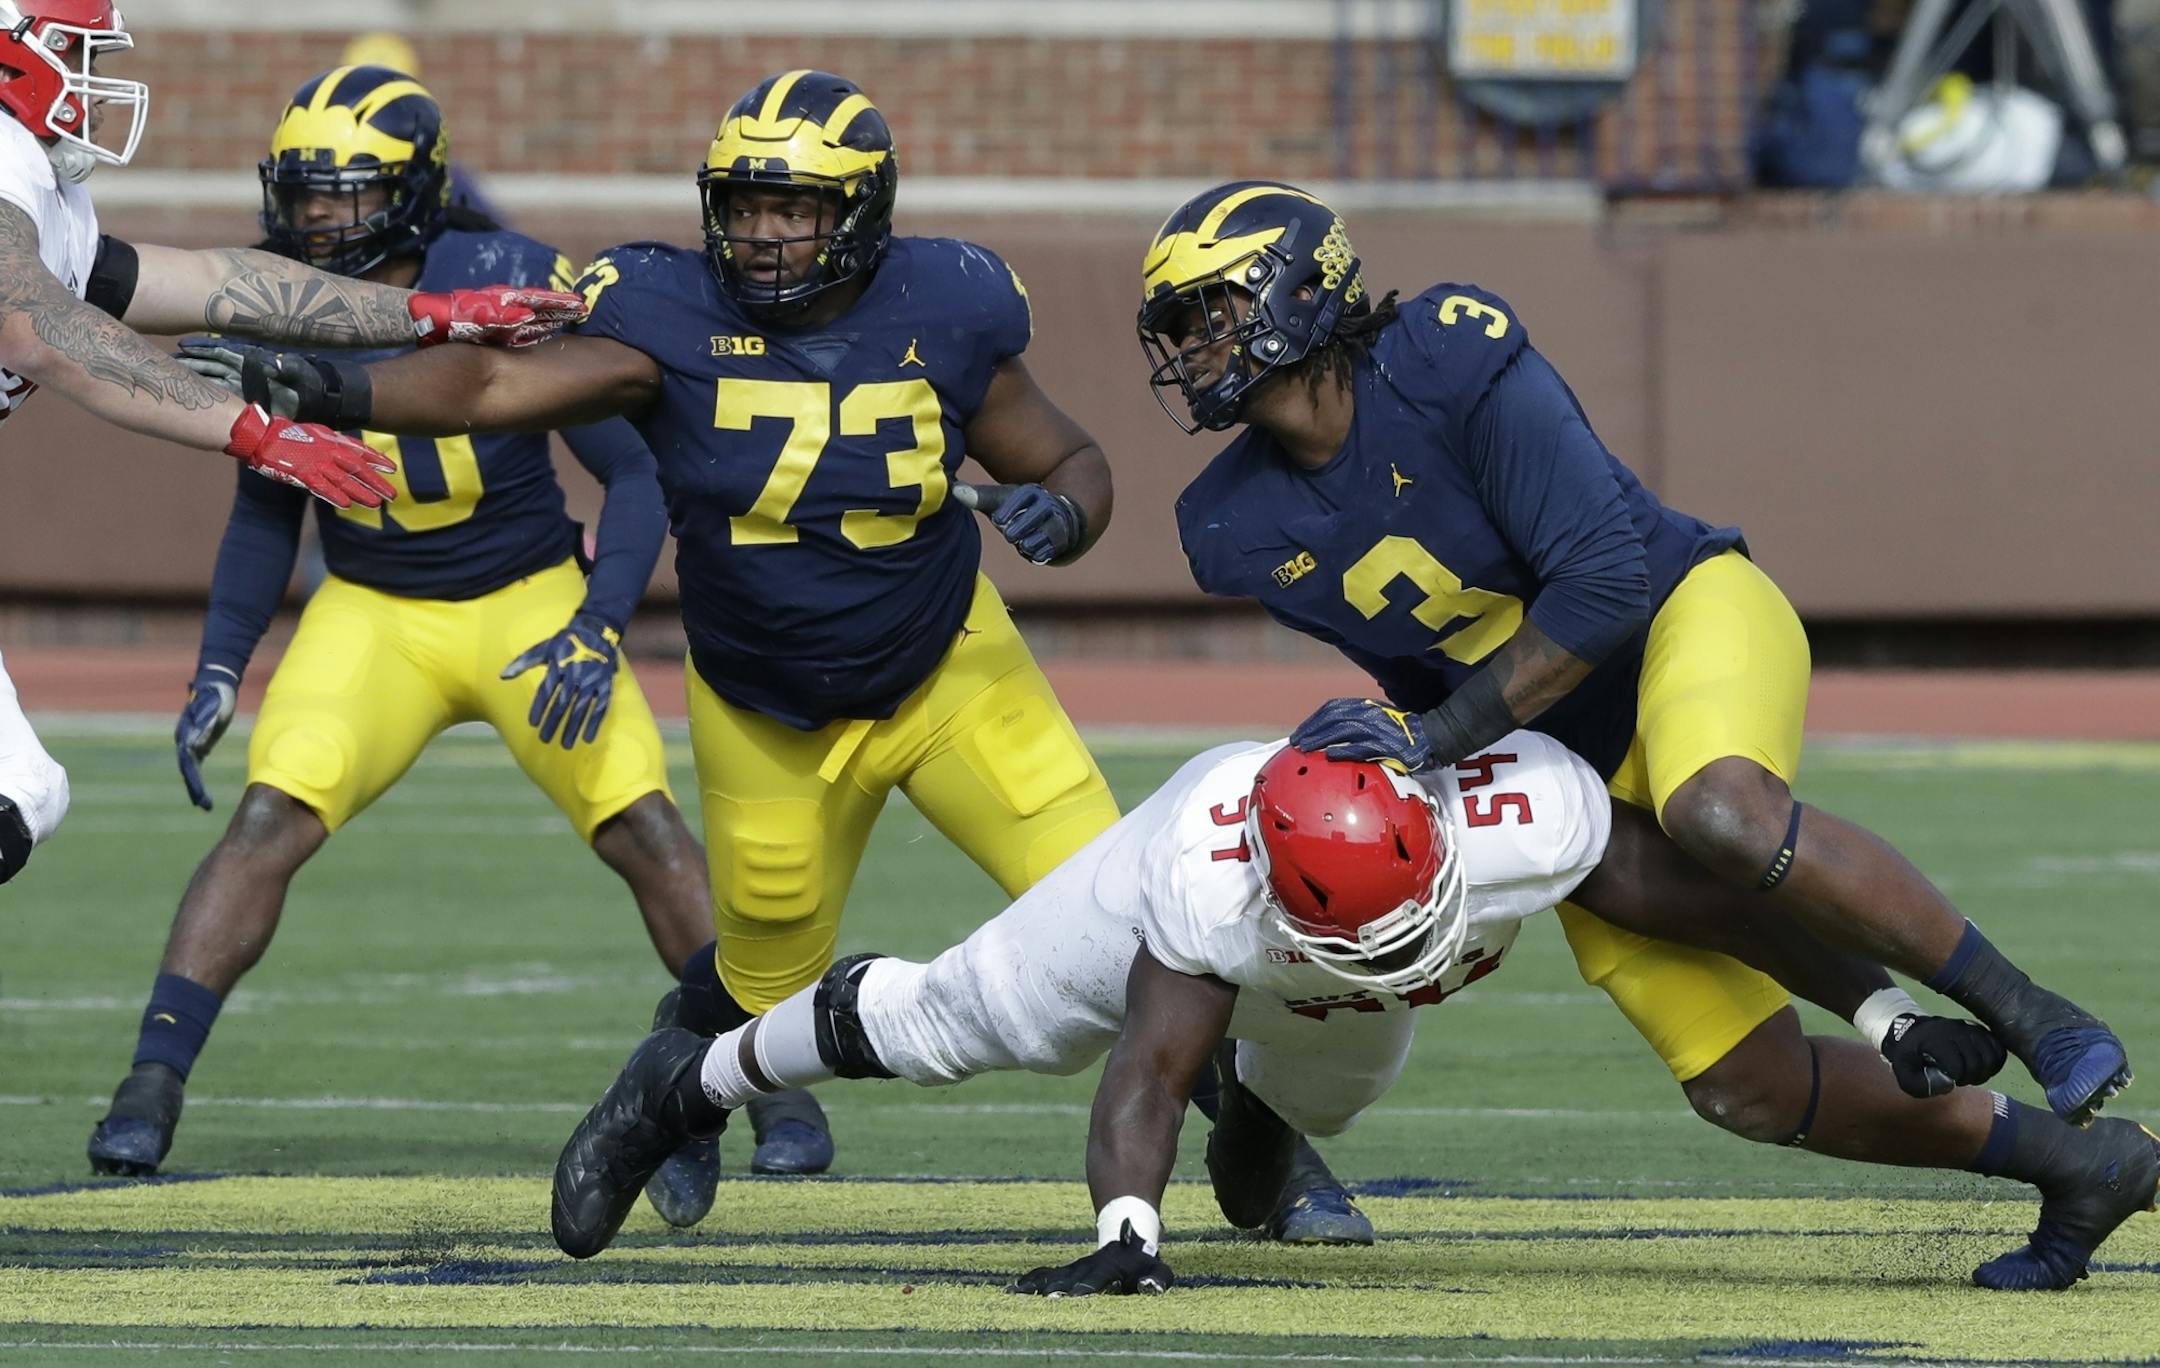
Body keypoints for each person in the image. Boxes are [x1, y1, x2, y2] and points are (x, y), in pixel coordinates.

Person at [194, 70, 1251, 1221]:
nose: (761, 235)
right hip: (765, 701)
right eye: (743, 206)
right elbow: (492, 379)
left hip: (952, 670)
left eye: (792, 209)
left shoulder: (948, 303)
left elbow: (1072, 459)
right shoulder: (662, 309)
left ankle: (1276, 1158)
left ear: (860, 211)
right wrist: (338, 388)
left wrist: (1067, 512)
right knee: (759, 984)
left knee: (1123, 913)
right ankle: (661, 1095)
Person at [1128, 182, 2140, 1289]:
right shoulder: (1225, 526)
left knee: (1720, 813)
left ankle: (2034, 1013)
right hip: (1553, 751)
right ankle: (2080, 1164)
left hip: (1676, 619)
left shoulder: (1445, 355)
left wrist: (1434, 736)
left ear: (1303, 284)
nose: (1191, 347)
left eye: (1209, 310)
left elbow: (1604, 585)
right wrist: (1879, 1007)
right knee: (1741, 1083)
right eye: (1176, 329)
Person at [546, 737, 2159, 1294]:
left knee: (1304, 1120)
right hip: (1176, 903)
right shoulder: (1210, 881)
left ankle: (1278, 1114)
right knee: (960, 1017)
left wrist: (1882, 1001)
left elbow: (1720, 907)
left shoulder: (1519, 818)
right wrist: (1126, 1230)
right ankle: (687, 1078)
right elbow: (1141, 1061)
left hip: (1302, 989)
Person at [78, 65, 709, 1180]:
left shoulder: (503, 280)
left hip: (526, 598)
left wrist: (599, 625)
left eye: (351, 193)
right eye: (306, 193)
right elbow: (265, 508)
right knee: (269, 820)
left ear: (417, 191)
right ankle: (150, 1080)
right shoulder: (271, 292)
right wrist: (220, 665)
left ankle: (773, 1095)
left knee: (646, 827)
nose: (322, 216)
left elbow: (638, 472)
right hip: (370, 607)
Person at [0, 2, 581, 892]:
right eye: (76, 49)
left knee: (25, 795)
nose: (92, 74)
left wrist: (428, 315)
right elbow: (40, 331)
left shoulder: (47, 191)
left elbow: (215, 282)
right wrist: (254, 432)